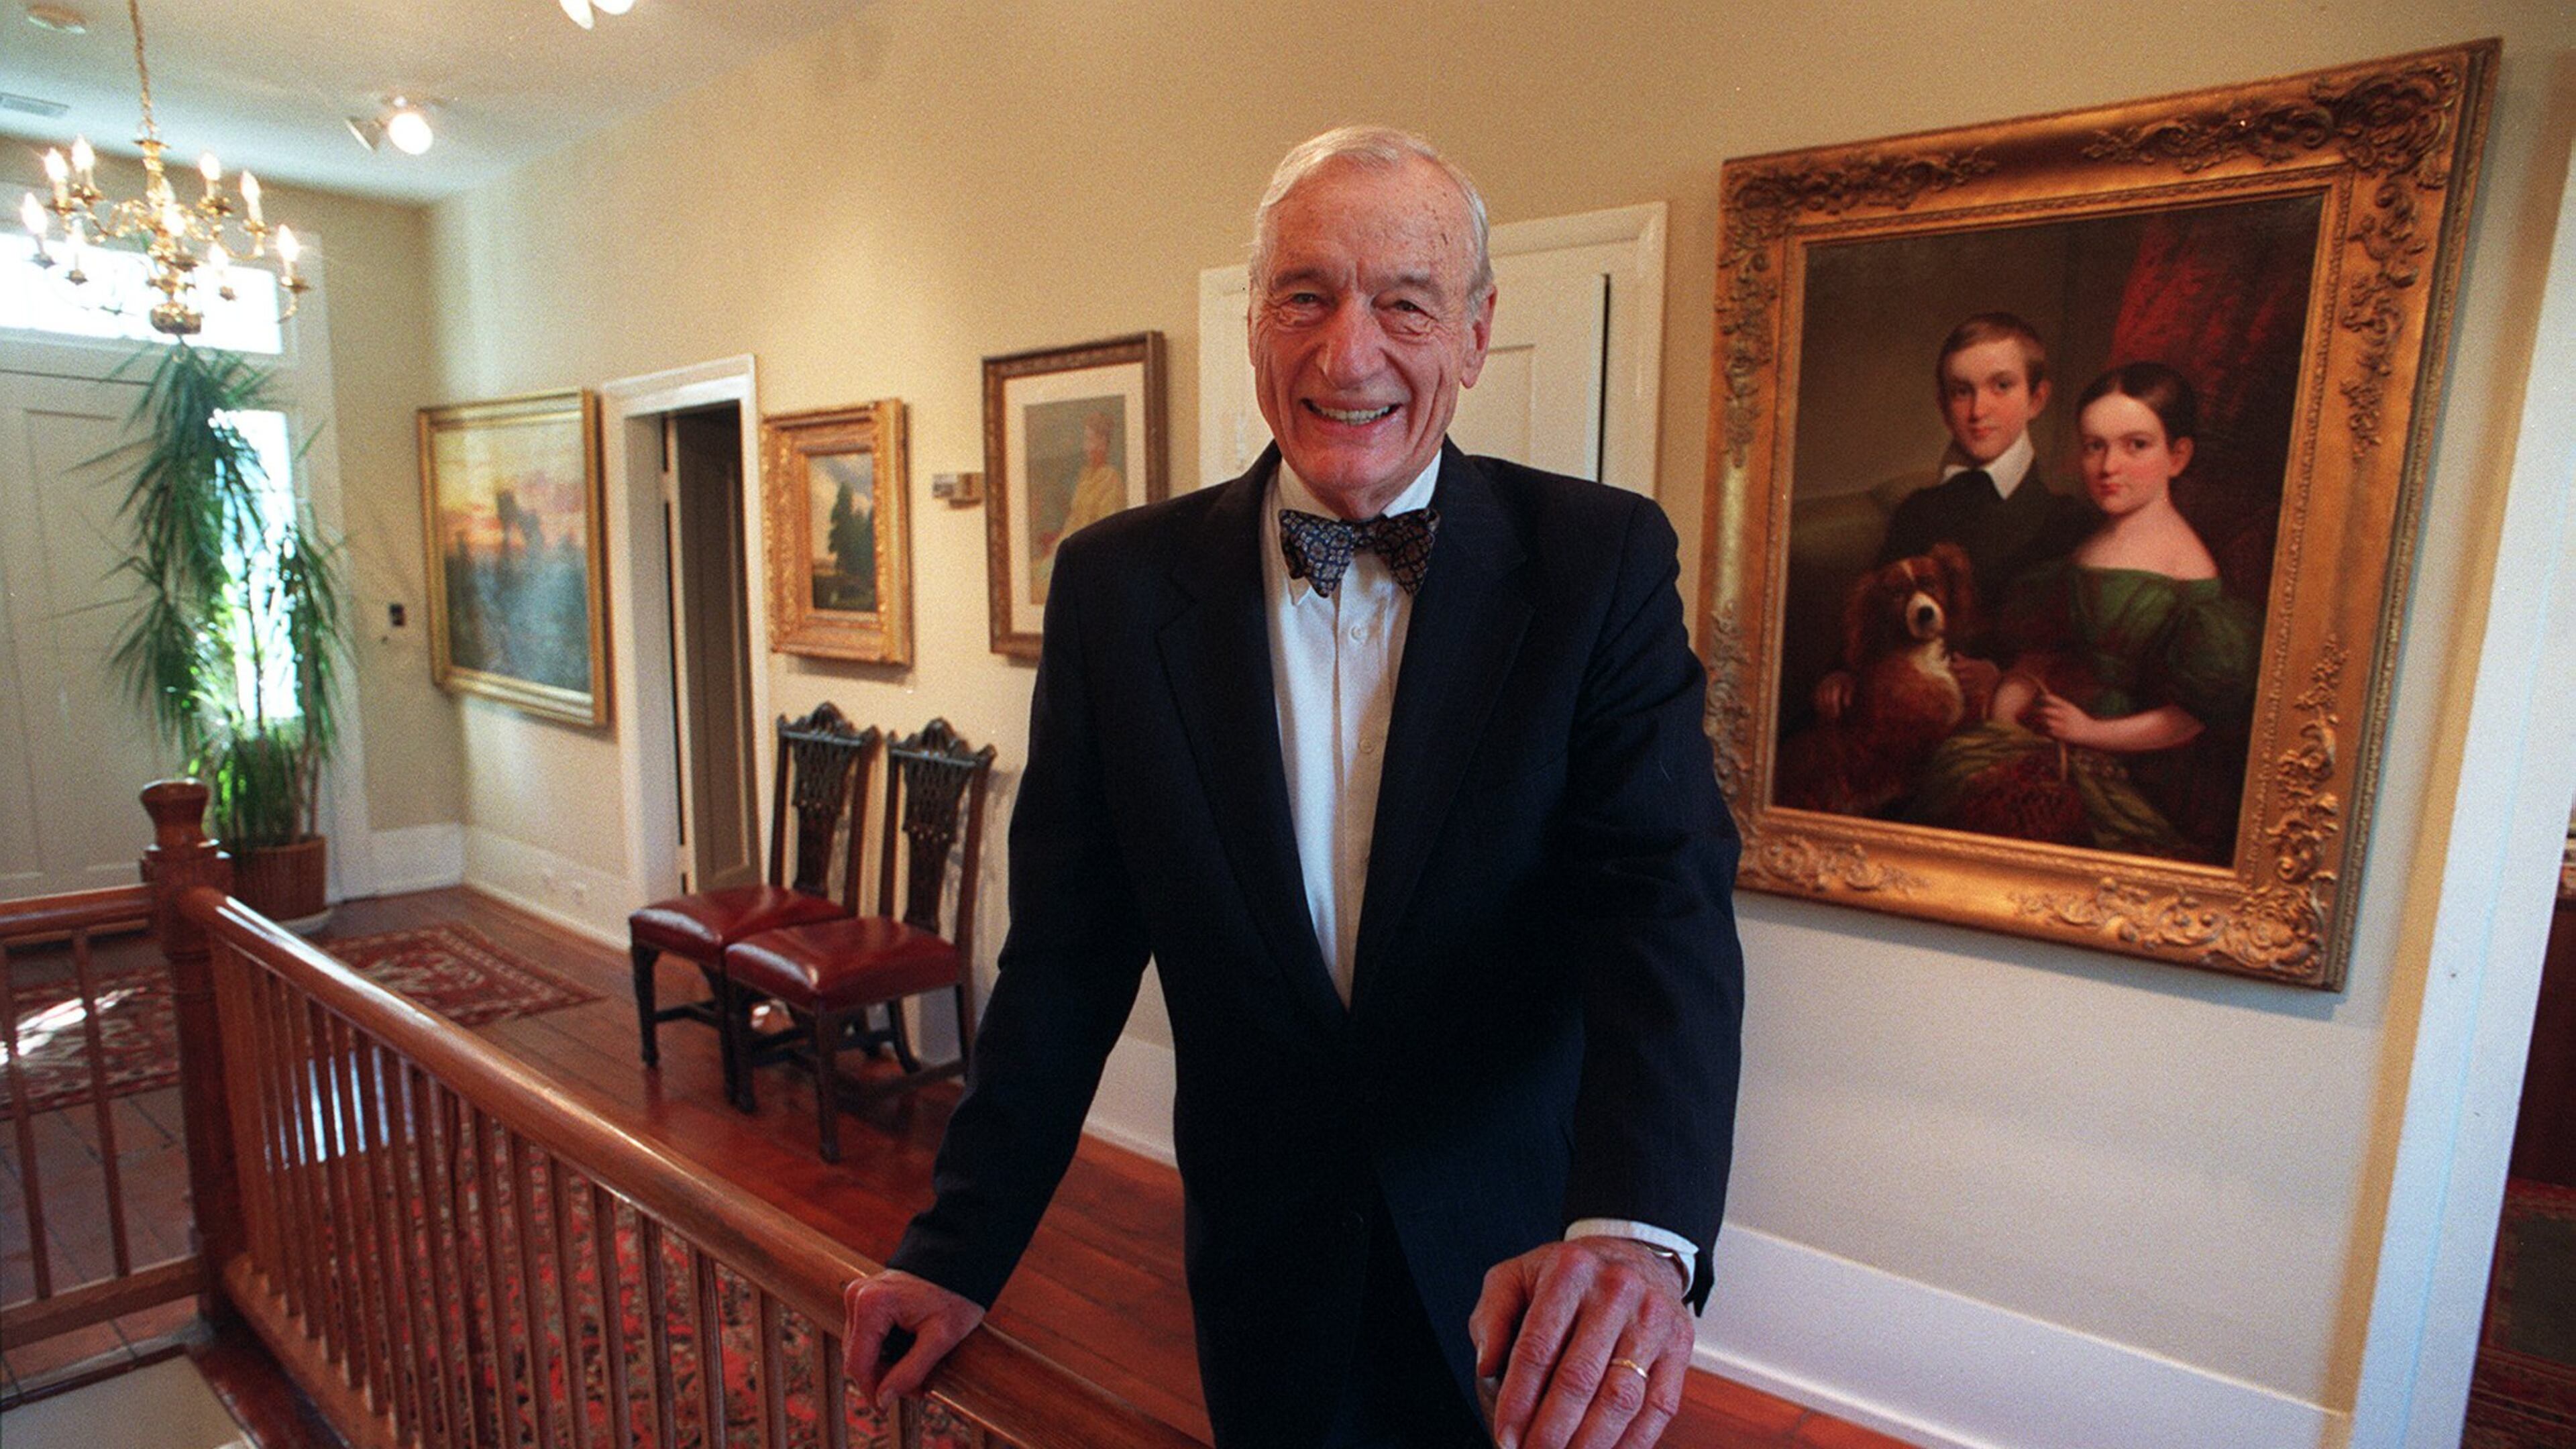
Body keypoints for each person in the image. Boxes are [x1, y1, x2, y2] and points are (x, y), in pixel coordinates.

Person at [841, 125, 1743, 1449]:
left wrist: (1633, 1234)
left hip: (1527, 1255)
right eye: (1306, 295)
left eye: (1405, 302)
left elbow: (1659, 908)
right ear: (1256, 319)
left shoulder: (1599, 563)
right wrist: (956, 1247)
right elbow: (1067, 960)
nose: (1349, 353)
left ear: (1478, 334)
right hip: (1263, 1245)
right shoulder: (1115, 586)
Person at [1907, 362, 2260, 861]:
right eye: (2095, 446)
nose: (2108, 466)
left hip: (2141, 769)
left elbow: (2189, 720)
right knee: (1954, 772)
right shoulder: (2086, 545)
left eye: (2135, 445)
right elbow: (2052, 653)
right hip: (2061, 734)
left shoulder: (2188, 567)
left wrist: (2093, 733)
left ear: (2177, 456)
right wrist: (2010, 693)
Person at [1813, 312, 2094, 722]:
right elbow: (1874, 613)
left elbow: (2075, 655)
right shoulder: (1919, 510)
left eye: (2001, 386)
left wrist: (2003, 678)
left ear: (2037, 399)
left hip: (2004, 719)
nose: (1979, 410)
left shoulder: (2066, 522)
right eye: (1962, 392)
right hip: (1907, 708)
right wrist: (1842, 672)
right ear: (1944, 407)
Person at [1032, 409, 1128, 605]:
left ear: (1103, 443)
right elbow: (1074, 518)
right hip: (1070, 549)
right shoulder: (1085, 476)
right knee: (1033, 574)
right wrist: (1058, 544)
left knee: (1047, 588)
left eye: (1090, 440)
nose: (1086, 447)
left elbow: (1107, 530)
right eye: (1085, 440)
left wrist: (1071, 548)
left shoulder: (1111, 479)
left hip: (1090, 557)